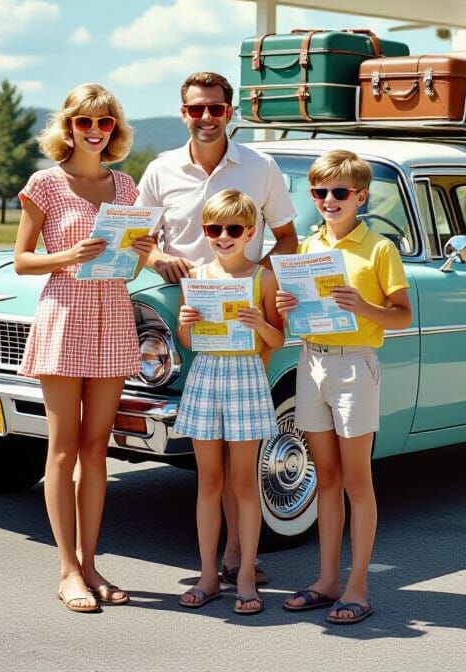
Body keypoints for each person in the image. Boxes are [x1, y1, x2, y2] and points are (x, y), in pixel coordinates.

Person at [138, 71, 297, 584]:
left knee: (241, 464)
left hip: (249, 324)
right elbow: (138, 239)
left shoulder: (260, 165)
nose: (206, 117)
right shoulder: (161, 169)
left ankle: (239, 559)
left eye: (215, 108)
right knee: (211, 469)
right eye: (195, 109)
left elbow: (288, 238)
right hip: (186, 323)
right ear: (183, 113)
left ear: (231, 112)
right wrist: (160, 257)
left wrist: (262, 285)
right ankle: (220, 565)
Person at [13, 83, 153, 614]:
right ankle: (67, 569)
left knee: (98, 449)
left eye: (105, 124)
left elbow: (131, 266)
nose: (95, 132)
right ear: (68, 127)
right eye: (85, 123)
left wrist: (140, 252)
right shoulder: (45, 184)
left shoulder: (124, 185)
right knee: (63, 448)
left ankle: (91, 563)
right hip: (65, 314)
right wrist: (69, 253)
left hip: (114, 314)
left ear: (114, 130)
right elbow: (23, 260)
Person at [277, 149, 412, 626]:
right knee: (325, 479)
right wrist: (286, 302)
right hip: (310, 360)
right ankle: (326, 580)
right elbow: (298, 313)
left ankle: (358, 586)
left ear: (360, 195)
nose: (328, 200)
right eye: (319, 192)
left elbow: (402, 315)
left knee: (357, 481)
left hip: (355, 366)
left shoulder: (379, 248)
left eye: (338, 192)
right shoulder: (307, 246)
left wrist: (362, 306)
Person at [174, 190, 284, 616]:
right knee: (208, 482)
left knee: (244, 484)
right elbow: (188, 342)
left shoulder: (263, 278)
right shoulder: (197, 276)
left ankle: (243, 575)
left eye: (233, 229)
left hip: (246, 378)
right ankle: (206, 575)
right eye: (213, 229)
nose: (223, 237)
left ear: (250, 232)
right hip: (205, 376)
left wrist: (260, 323)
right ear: (205, 231)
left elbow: (279, 338)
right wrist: (185, 325)